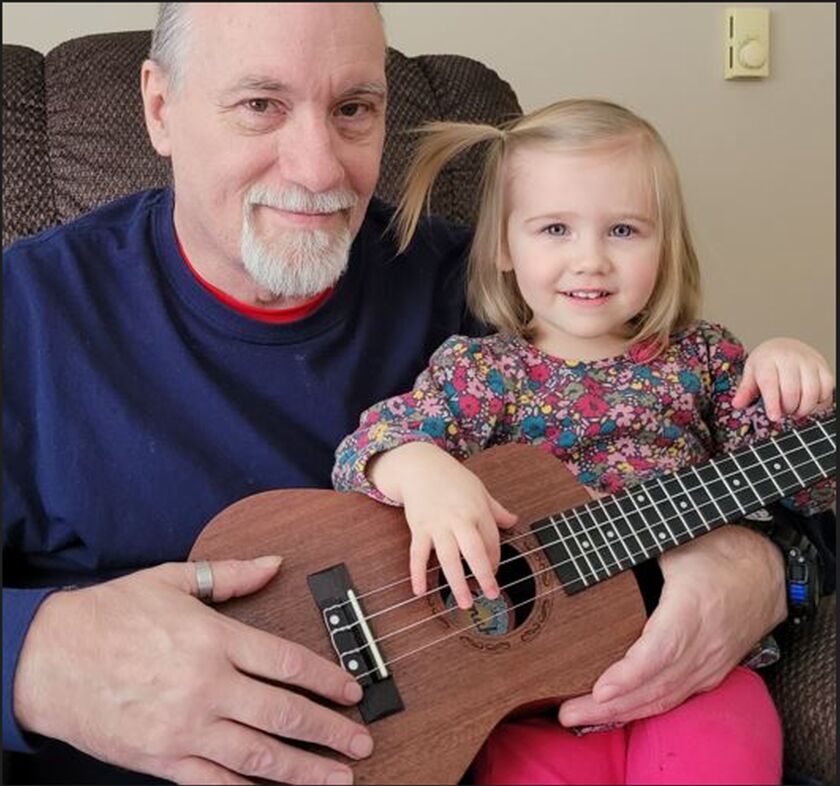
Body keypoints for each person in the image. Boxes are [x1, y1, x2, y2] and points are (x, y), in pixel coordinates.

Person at [1, 3, 832, 784]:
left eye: (354, 109)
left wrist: (766, 569)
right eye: (260, 104)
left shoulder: (491, 289)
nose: (319, 169)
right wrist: (35, 657)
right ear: (159, 107)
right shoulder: (24, 314)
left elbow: (758, 458)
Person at [331, 99, 835, 784]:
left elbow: (807, 488)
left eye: (624, 229)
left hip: (693, 675)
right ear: (506, 246)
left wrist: (792, 378)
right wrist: (420, 468)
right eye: (556, 229)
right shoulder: (482, 372)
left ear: (667, 242)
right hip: (528, 700)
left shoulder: (707, 361)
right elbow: (370, 444)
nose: (590, 259)